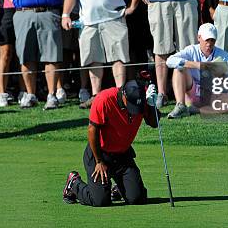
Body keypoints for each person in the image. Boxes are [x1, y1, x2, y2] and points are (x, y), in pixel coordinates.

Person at [62, 77, 158, 206]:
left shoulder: (141, 97)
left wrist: (151, 105)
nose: (133, 110)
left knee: (137, 199)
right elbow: (92, 130)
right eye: (131, 105)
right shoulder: (104, 99)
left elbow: (153, 123)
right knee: (100, 201)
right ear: (123, 94)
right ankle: (74, 184)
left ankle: (119, 188)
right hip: (100, 154)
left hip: (123, 155)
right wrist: (99, 161)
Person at [165, 23, 228, 118]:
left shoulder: (223, 55)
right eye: (206, 40)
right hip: (192, 92)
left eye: (212, 40)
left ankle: (195, 109)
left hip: (212, 94)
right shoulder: (191, 50)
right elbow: (169, 61)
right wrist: (197, 65)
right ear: (199, 38)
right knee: (179, 68)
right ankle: (181, 105)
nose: (209, 43)